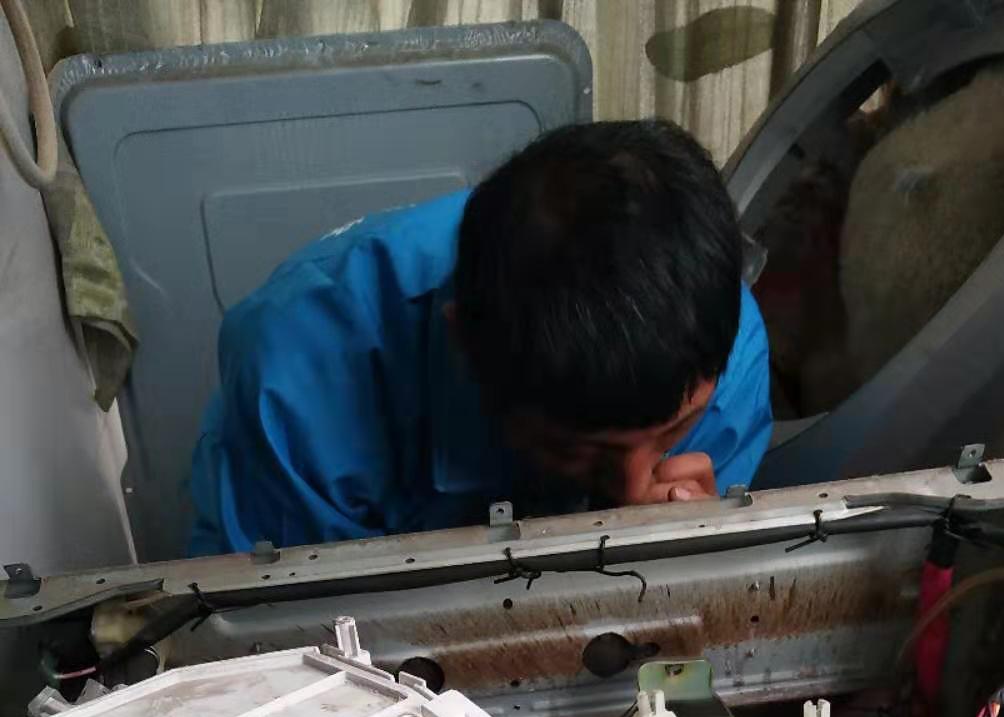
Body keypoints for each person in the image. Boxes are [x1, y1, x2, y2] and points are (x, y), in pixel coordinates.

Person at [189, 119, 772, 556]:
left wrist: (687, 556)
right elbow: (288, 639)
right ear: (466, 347)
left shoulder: (724, 343)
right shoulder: (299, 381)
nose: (633, 486)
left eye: (672, 433)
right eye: (581, 449)